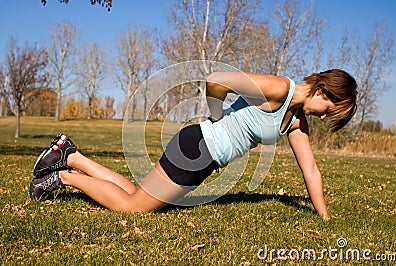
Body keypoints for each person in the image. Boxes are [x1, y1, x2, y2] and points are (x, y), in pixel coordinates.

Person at [30, 69, 358, 220]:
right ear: (323, 92)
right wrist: (216, 117)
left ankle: (72, 156)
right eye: (328, 110)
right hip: (196, 149)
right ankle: (62, 177)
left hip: (201, 156)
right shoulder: (279, 89)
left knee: (135, 196)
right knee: (132, 208)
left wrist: (325, 218)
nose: (323, 117)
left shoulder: (296, 118)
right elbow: (217, 80)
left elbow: (310, 169)